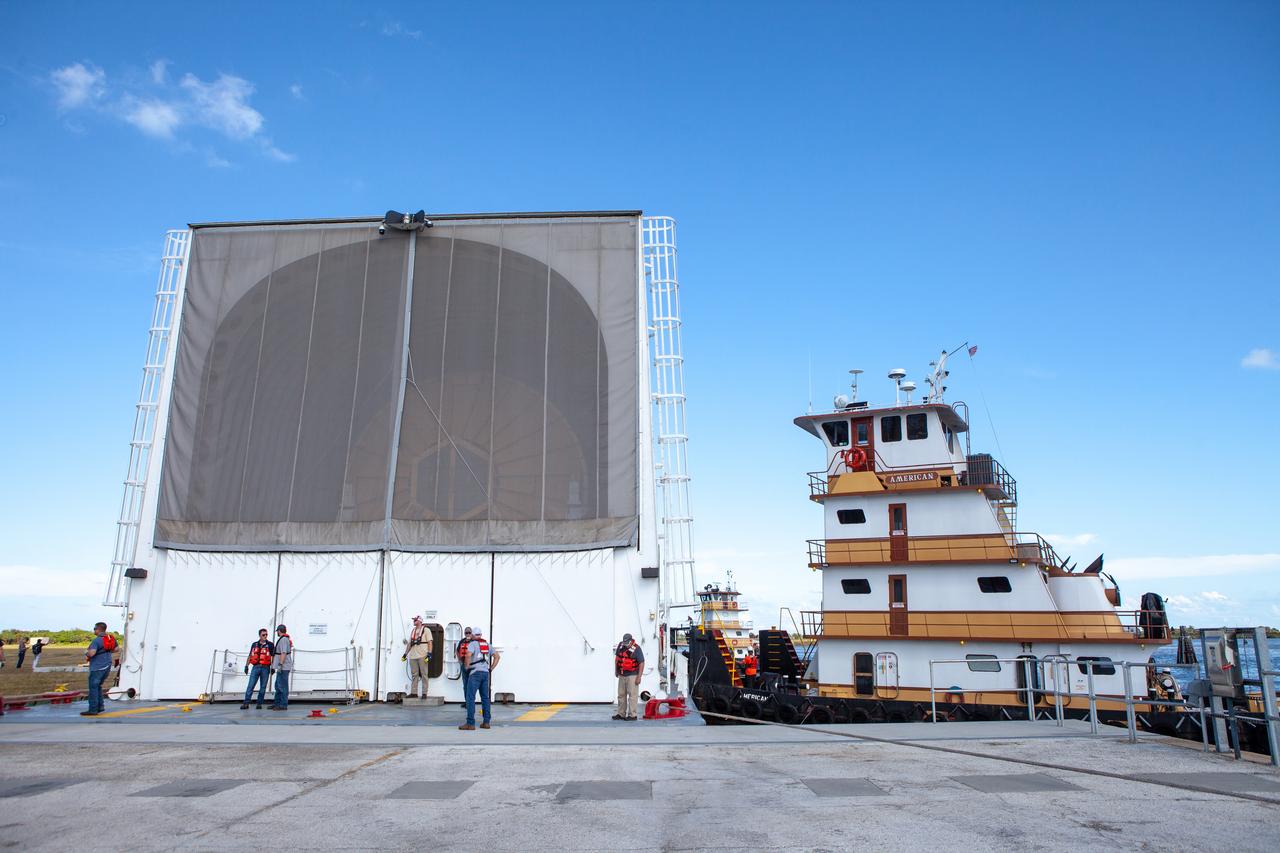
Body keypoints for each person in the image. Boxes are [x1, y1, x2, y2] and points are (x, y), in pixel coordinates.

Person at [458, 626, 499, 731]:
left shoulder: (472, 644)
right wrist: (491, 668)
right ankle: (486, 722)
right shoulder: (487, 645)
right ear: (480, 635)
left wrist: (467, 667)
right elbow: (497, 656)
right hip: (485, 673)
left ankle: (470, 723)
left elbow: (468, 655)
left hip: (475, 673)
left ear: (473, 635)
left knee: (470, 697)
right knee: (485, 698)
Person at [82, 622, 118, 717]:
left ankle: (93, 709)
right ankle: (100, 706)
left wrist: (86, 652)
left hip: (97, 667)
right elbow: (116, 649)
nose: (94, 630)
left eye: (94, 629)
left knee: (93, 688)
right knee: (98, 686)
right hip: (107, 665)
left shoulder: (96, 641)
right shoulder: (110, 638)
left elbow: (92, 653)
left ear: (98, 629)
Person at [240, 628, 275, 709]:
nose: (265, 636)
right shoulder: (254, 644)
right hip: (255, 667)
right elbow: (250, 655)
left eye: (266, 635)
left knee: (263, 687)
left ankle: (259, 703)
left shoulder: (270, 645)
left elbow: (273, 657)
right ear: (260, 635)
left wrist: (273, 667)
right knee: (250, 685)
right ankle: (246, 703)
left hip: (265, 668)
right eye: (263, 635)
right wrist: (246, 666)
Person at [613, 633, 644, 721]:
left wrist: (639, 677)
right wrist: (616, 671)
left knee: (632, 696)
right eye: (624, 642)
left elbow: (641, 662)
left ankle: (632, 715)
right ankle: (621, 713)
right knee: (621, 695)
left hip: (632, 675)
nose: (625, 644)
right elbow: (617, 659)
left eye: (627, 642)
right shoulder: (620, 646)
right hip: (622, 675)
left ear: (631, 641)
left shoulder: (637, 649)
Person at [402, 615, 433, 699]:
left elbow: (430, 642)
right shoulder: (413, 631)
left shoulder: (426, 630)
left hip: (422, 655)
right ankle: (414, 693)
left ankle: (424, 693)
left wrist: (429, 654)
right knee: (414, 674)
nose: (414, 621)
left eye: (415, 620)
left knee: (424, 674)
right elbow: (409, 643)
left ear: (419, 621)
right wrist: (405, 654)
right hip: (413, 656)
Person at [270, 624, 294, 710]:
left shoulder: (283, 640)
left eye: (277, 631)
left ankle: (283, 705)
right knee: (278, 685)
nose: (277, 633)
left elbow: (283, 653)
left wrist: (280, 664)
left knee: (282, 686)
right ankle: (277, 703)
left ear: (279, 631)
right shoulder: (284, 639)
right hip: (282, 667)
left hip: (284, 667)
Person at [455, 626, 474, 693]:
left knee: (472, 685)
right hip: (463, 665)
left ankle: (471, 702)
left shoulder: (474, 642)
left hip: (472, 666)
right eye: (466, 633)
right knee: (465, 684)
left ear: (472, 633)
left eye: (469, 632)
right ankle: (467, 702)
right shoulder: (462, 641)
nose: (468, 634)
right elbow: (457, 651)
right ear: (464, 633)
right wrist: (459, 661)